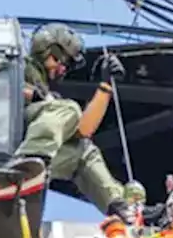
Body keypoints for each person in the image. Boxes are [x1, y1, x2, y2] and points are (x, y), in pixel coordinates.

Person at [16, 23, 147, 220]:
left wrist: (105, 86)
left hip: (23, 150)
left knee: (83, 151)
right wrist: (31, 95)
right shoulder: (14, 65)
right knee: (69, 108)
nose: (63, 70)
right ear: (50, 52)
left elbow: (82, 131)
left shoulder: (49, 98)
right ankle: (28, 162)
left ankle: (119, 207)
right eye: (64, 62)